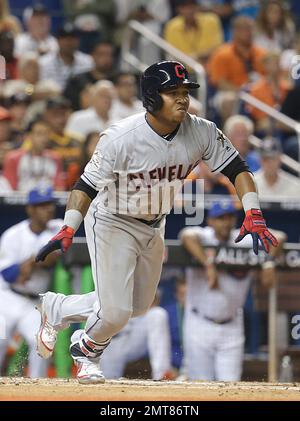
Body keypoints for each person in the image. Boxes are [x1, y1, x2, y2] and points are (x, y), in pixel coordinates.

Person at [34, 60, 278, 384]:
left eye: (185, 92)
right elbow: (84, 186)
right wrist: (68, 226)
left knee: (137, 305)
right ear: (151, 97)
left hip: (154, 223)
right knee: (116, 312)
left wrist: (253, 211)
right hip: (113, 219)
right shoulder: (121, 137)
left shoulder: (201, 130)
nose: (182, 99)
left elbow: (238, 169)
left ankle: (58, 309)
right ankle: (88, 350)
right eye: (172, 92)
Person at [180, 200, 286, 381]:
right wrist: (208, 264)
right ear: (211, 221)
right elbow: (185, 235)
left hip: (232, 325)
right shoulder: (204, 236)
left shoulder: (243, 239)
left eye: (229, 217)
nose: (225, 222)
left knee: (230, 386)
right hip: (199, 324)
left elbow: (279, 237)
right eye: (220, 218)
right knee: (199, 385)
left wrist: (268, 262)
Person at [0, 187, 62, 378]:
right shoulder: (13, 234)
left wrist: (30, 262)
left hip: (35, 303)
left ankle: (38, 391)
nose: (48, 209)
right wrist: (35, 261)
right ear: (30, 209)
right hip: (8, 297)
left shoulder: (57, 227)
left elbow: (57, 255)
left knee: (43, 342)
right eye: (42, 206)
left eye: (49, 204)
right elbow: (9, 274)